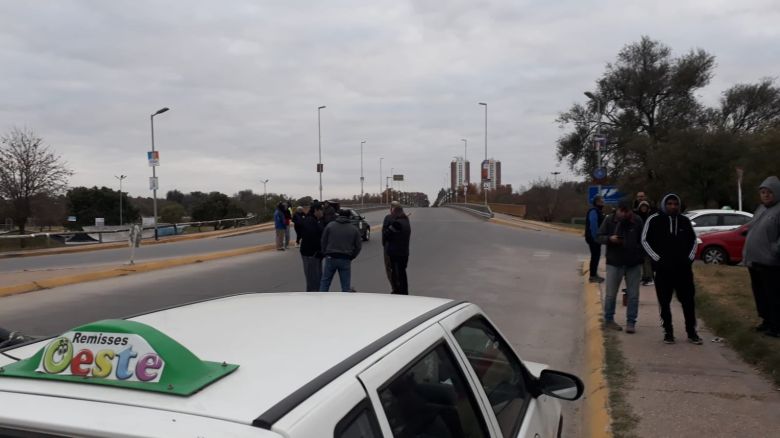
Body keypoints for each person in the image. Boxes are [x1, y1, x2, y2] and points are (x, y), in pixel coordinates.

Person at [641, 193, 702, 345]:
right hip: (663, 270)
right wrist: (657, 259)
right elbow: (644, 240)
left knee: (688, 301)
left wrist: (689, 259)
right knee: (664, 302)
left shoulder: (684, 221)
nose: (673, 206)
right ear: (664, 205)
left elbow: (694, 241)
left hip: (683, 270)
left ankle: (692, 332)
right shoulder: (654, 220)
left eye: (675, 204)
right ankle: (668, 332)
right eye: (669, 204)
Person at [598, 201, 645, 333]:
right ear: (616, 210)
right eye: (621, 210)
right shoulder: (609, 220)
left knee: (633, 295)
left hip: (633, 263)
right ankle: (609, 320)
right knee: (611, 295)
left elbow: (644, 239)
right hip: (614, 262)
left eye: (626, 211)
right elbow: (599, 236)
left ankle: (631, 322)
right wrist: (610, 239)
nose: (623, 213)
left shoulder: (637, 221)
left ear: (630, 211)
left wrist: (638, 252)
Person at [742, 176, 780, 338]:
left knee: (774, 295)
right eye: (763, 192)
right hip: (755, 260)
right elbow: (753, 226)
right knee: (760, 294)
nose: (765, 195)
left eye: (769, 192)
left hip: (771, 262)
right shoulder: (761, 209)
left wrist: (775, 250)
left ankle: (777, 326)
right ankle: (766, 321)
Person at [320, 209, 362, 292]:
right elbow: (358, 246)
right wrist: (352, 256)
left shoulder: (330, 226)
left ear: (338, 215)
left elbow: (323, 241)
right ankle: (345, 303)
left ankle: (321, 300)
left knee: (325, 282)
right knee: (345, 285)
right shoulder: (353, 229)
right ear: (349, 217)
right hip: (345, 258)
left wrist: (325, 253)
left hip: (330, 257)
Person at [384, 205, 412, 295]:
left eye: (393, 213)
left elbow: (386, 234)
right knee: (402, 273)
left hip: (396, 253)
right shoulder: (406, 221)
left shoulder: (397, 223)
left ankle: (398, 292)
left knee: (396, 274)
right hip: (404, 252)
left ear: (396, 213)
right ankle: (404, 291)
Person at [300, 202, 325, 292]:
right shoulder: (310, 221)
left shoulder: (313, 220)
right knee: (313, 282)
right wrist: (318, 251)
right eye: (321, 210)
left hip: (313, 255)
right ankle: (312, 301)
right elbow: (311, 238)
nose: (323, 212)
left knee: (317, 280)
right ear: (316, 210)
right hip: (311, 255)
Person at [382, 201, 402, 293]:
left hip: (389, 247)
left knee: (389, 268)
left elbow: (384, 233)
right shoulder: (403, 219)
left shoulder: (388, 218)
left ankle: (395, 288)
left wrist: (384, 244)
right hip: (400, 248)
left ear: (392, 209)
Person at [585, 195, 606, 283]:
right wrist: (596, 238)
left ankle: (594, 274)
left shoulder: (598, 211)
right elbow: (593, 226)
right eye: (601, 201)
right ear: (597, 202)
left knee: (596, 256)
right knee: (595, 256)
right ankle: (592, 276)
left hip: (595, 238)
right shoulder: (594, 211)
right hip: (593, 238)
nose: (603, 203)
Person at [634, 200, 655, 286]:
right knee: (642, 260)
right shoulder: (637, 216)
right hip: (640, 240)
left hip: (648, 240)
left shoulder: (650, 216)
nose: (644, 208)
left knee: (647, 260)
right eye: (642, 207)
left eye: (645, 207)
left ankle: (650, 277)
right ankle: (644, 276)